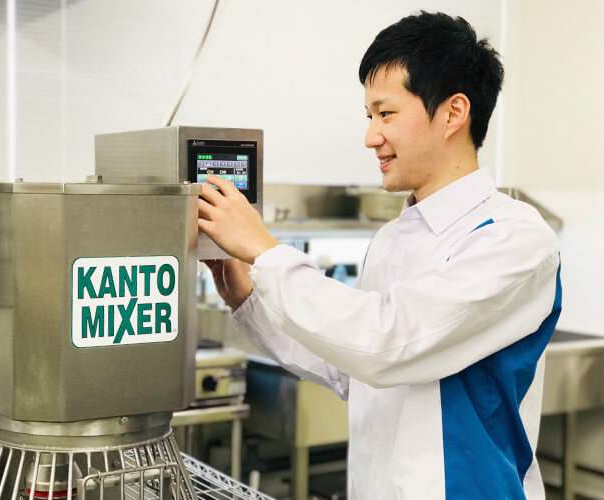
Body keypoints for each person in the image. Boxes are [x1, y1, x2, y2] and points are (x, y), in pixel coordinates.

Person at [198, 11, 561, 500]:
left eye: (385, 114)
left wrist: (264, 249)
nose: (371, 137)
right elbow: (351, 364)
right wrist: (245, 296)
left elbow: (387, 342)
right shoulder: (392, 238)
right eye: (368, 116)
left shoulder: (514, 238)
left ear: (453, 113)